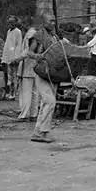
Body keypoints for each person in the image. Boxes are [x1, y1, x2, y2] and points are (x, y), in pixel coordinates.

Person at [23, 15, 58, 143]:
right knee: (50, 102)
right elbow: (29, 53)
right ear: (44, 22)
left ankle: (37, 133)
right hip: (41, 73)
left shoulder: (54, 37)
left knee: (45, 104)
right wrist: (38, 56)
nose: (53, 23)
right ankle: (43, 131)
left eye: (54, 21)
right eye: (50, 21)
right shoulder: (38, 36)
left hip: (53, 74)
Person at [16, 21, 40, 121]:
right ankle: (34, 114)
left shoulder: (30, 34)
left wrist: (17, 59)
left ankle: (24, 115)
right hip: (36, 68)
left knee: (26, 93)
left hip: (28, 68)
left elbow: (28, 51)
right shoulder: (37, 33)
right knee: (35, 93)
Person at [1, 16, 23, 99]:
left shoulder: (18, 32)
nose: (10, 24)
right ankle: (10, 93)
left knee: (14, 76)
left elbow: (18, 45)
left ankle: (14, 94)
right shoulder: (8, 31)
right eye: (9, 22)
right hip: (8, 57)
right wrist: (4, 57)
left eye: (12, 22)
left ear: (15, 23)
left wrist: (16, 58)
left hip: (14, 58)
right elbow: (7, 45)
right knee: (9, 77)